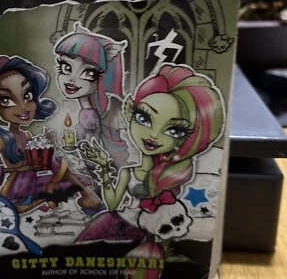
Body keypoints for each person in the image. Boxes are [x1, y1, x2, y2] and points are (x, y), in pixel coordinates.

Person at [76, 63, 224, 242]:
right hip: (123, 223)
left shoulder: (174, 174)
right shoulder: (128, 172)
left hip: (156, 231)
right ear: (130, 114)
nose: (153, 135)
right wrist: (105, 167)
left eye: (174, 130)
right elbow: (113, 204)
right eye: (144, 118)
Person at [0, 55, 99, 213]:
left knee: (55, 159)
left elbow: (38, 158)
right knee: (16, 209)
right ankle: (47, 197)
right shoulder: (3, 139)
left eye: (27, 96)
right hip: (18, 184)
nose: (23, 106)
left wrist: (47, 144)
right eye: (6, 101)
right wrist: (3, 171)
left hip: (36, 177)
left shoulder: (27, 136)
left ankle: (85, 195)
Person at [54, 22, 131, 170]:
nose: (71, 79)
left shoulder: (109, 108)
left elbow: (96, 148)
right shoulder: (86, 109)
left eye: (89, 73)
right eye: (66, 67)